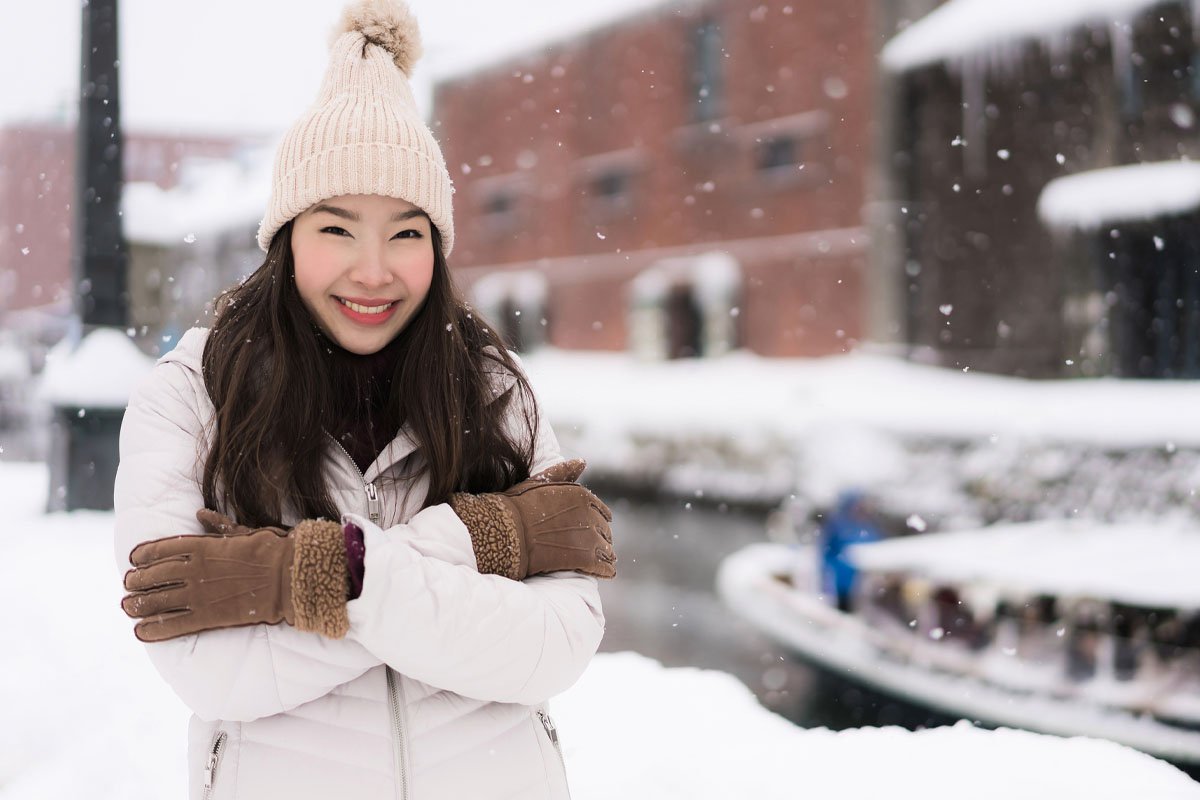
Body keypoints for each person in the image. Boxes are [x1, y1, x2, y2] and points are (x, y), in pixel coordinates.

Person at [114, 2, 616, 798]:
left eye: (407, 233)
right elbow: (209, 670)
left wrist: (301, 577)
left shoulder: (490, 388)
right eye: (338, 230)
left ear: (439, 247)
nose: (374, 270)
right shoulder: (193, 399)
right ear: (286, 239)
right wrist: (482, 539)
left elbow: (555, 646)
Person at [818, 490, 882, 612]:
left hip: (866, 587)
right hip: (841, 584)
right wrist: (826, 577)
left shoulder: (869, 527)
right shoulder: (838, 526)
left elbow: (876, 553)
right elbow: (826, 554)